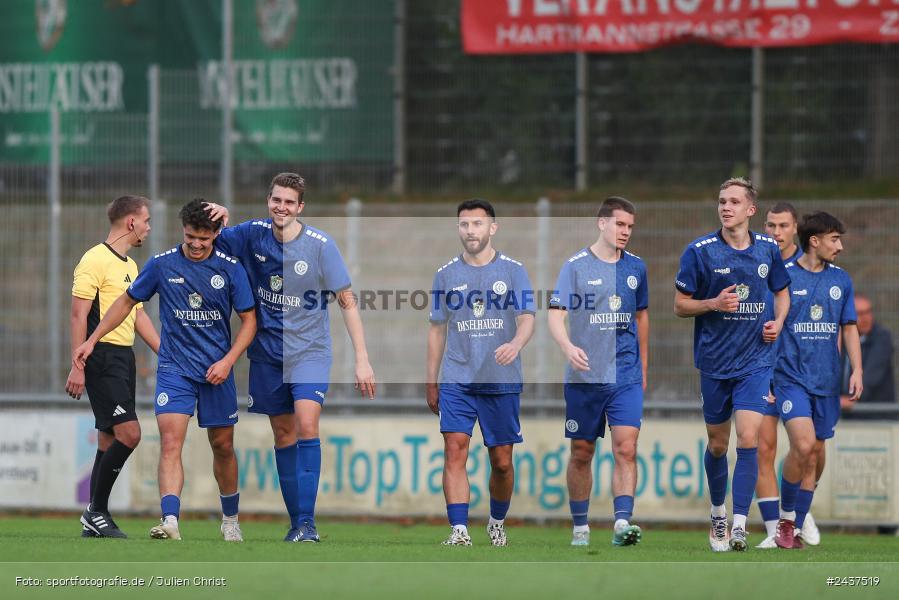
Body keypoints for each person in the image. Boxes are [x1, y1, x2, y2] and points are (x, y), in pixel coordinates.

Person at [74, 199, 257, 542]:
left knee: (223, 445)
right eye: (191, 237)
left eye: (205, 238)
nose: (197, 244)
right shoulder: (161, 265)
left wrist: (229, 360)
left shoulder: (231, 269)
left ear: (216, 234)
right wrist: (92, 339)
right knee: (170, 443)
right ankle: (170, 520)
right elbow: (126, 303)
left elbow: (249, 321)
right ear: (182, 231)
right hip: (175, 370)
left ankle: (230, 519)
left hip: (217, 371)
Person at [212, 172, 376, 543]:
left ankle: (308, 524)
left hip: (310, 353)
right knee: (283, 433)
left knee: (305, 425)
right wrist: (218, 215)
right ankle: (296, 523)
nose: (281, 207)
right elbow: (209, 238)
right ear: (268, 200)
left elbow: (346, 302)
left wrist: (362, 358)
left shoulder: (320, 246)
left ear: (301, 207)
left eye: (289, 202)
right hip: (267, 354)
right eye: (276, 200)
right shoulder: (251, 233)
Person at [674, 177, 790, 552]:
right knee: (719, 445)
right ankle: (718, 512)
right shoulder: (700, 251)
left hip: (756, 361)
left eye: (734, 202)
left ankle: (740, 523)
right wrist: (713, 304)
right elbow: (679, 305)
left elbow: (782, 292)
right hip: (714, 363)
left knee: (749, 438)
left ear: (750, 210)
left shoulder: (769, 249)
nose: (726, 207)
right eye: (722, 201)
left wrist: (778, 322)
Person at [427, 198, 535, 546]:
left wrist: (516, 343)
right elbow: (436, 330)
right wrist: (431, 379)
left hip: (500, 381)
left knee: (501, 462)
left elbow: (527, 319)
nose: (470, 231)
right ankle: (459, 530)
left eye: (477, 224)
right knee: (455, 449)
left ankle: (496, 521)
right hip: (457, 378)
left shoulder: (513, 271)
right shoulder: (445, 275)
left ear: (492, 228)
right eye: (464, 224)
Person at [548, 196, 648, 547]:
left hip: (626, 375)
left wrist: (643, 366)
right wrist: (567, 347)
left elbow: (641, 318)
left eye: (630, 227)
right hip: (585, 377)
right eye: (620, 224)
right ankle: (580, 527)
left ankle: (622, 524)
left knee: (626, 448)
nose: (625, 232)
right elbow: (555, 314)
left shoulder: (636, 268)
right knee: (582, 451)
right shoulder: (574, 266)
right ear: (601, 223)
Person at [66, 195, 160, 538]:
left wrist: (165, 352)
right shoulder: (94, 259)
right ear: (131, 222)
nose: (149, 227)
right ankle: (96, 511)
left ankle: (95, 518)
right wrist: (78, 363)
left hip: (124, 357)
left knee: (108, 438)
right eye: (146, 220)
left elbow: (136, 315)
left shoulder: (131, 266)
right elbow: (79, 314)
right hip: (100, 356)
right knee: (130, 434)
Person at [773, 212, 863, 549]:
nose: (839, 246)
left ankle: (796, 524)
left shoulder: (842, 281)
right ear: (815, 241)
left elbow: (849, 327)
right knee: (804, 445)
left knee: (815, 454)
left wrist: (857, 369)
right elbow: (771, 327)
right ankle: (786, 521)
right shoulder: (784, 278)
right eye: (834, 239)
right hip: (790, 377)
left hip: (826, 380)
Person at [754, 202, 822, 548]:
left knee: (808, 449)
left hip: (799, 378)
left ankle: (797, 508)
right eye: (770, 226)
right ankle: (773, 531)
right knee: (762, 448)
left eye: (782, 226)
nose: (775, 233)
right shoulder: (755, 263)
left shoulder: (808, 269)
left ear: (795, 229)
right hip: (762, 372)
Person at [841, 294, 896, 419]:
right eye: (859, 313)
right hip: (845, 415)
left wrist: (848, 399)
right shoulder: (840, 338)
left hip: (877, 415)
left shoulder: (882, 337)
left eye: (868, 312)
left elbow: (872, 376)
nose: (865, 318)